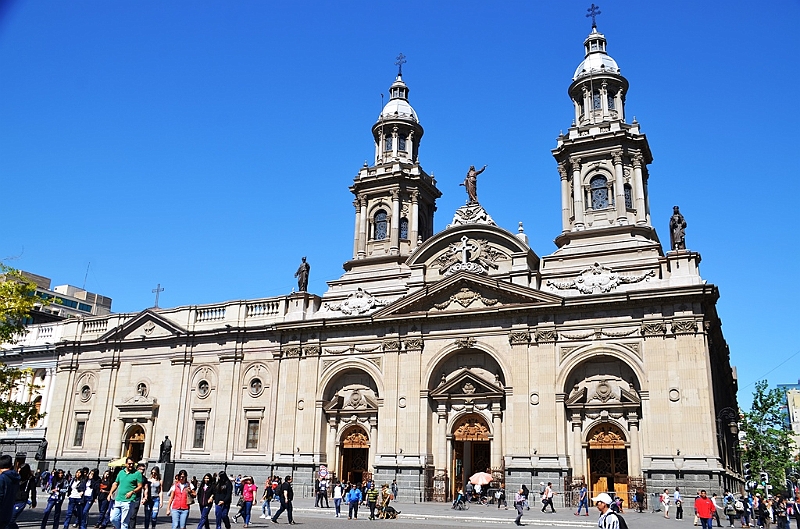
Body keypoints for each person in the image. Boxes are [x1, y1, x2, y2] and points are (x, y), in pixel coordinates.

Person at [108, 459, 144, 529]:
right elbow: (116, 483)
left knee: (124, 522)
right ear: (126, 464)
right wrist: (110, 493)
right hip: (118, 499)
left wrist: (132, 492)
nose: (131, 465)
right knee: (113, 518)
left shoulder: (137, 474)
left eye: (132, 464)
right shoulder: (121, 472)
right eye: (129, 464)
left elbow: (140, 486)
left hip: (129, 500)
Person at [9, 463, 35, 529]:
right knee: (7, 519)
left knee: (11, 520)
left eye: (20, 469)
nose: (18, 471)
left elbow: (33, 491)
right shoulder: (16, 477)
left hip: (21, 500)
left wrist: (33, 501)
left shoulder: (30, 479)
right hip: (12, 499)